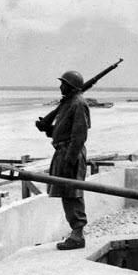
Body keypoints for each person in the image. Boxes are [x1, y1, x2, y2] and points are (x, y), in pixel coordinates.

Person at [41, 70, 91, 250]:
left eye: (63, 83)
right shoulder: (68, 103)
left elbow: (79, 136)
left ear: (71, 86)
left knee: (72, 194)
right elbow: (65, 129)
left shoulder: (78, 104)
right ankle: (76, 233)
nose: (60, 86)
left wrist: (70, 160)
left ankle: (77, 236)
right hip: (63, 152)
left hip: (71, 153)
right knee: (67, 193)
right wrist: (49, 130)